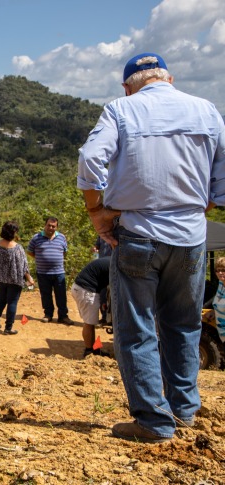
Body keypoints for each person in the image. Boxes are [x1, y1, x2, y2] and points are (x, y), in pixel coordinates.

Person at [78, 52, 225, 443]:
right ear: (170, 79)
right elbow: (222, 183)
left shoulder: (121, 110)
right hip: (192, 239)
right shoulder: (207, 111)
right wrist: (197, 204)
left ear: (128, 87)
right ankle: (183, 411)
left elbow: (91, 158)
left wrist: (97, 213)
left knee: (136, 329)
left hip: (139, 232)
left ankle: (153, 422)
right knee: (184, 325)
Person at [0, 221, 35, 335]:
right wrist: (29, 279)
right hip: (14, 279)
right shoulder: (17, 248)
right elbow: (24, 267)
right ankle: (8, 328)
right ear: (14, 233)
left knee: (1, 300)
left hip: (0, 279)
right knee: (12, 302)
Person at [26, 217, 72, 325]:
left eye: (53, 226)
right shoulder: (36, 238)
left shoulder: (61, 237)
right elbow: (30, 252)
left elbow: (64, 252)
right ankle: (48, 314)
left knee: (61, 294)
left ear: (56, 227)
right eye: (49, 225)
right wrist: (42, 258)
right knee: (45, 294)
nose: (51, 228)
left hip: (59, 272)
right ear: (45, 225)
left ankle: (63, 316)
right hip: (43, 273)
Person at [71, 257, 111, 358]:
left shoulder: (112, 260)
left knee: (90, 322)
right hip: (86, 290)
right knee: (89, 323)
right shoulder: (114, 264)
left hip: (83, 288)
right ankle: (89, 351)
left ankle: (94, 350)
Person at [206, 257, 225, 343]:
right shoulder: (221, 284)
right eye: (217, 270)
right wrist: (214, 311)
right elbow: (219, 303)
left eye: (223, 270)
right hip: (222, 333)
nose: (220, 273)